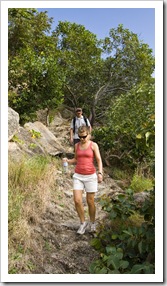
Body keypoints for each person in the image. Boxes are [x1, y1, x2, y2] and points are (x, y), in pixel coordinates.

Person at [63, 126, 103, 235]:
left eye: (84, 136)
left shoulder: (93, 145)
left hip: (90, 176)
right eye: (80, 137)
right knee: (77, 200)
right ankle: (82, 223)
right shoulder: (77, 145)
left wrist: (100, 172)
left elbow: (99, 160)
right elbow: (76, 159)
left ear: (89, 134)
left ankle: (93, 222)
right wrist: (68, 161)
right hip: (78, 175)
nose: (82, 139)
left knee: (90, 201)